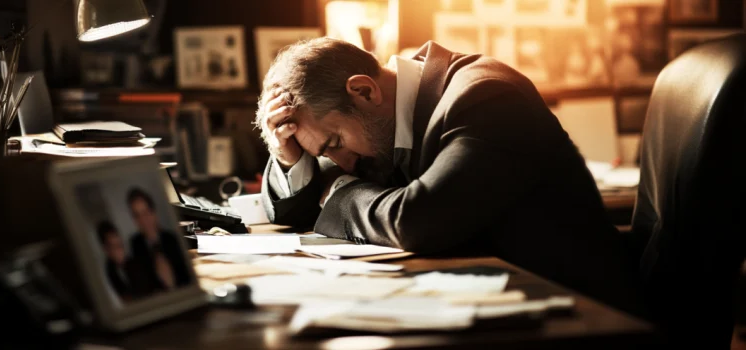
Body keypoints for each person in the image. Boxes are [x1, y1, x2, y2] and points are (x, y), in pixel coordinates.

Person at [255, 38, 643, 315]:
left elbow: (419, 219)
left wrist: (336, 190)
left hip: (581, 310)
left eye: (335, 143)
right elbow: (298, 210)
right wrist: (287, 156)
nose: (343, 164)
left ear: (364, 91)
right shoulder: (387, 117)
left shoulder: (486, 97)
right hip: (493, 297)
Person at [127, 188, 191, 290]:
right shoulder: (135, 245)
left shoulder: (173, 240)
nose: (143, 220)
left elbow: (187, 277)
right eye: (137, 215)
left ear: (154, 213)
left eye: (145, 212)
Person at [96, 221, 154, 300]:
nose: (121, 250)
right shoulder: (107, 272)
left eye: (120, 244)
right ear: (106, 249)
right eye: (115, 246)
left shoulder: (134, 263)